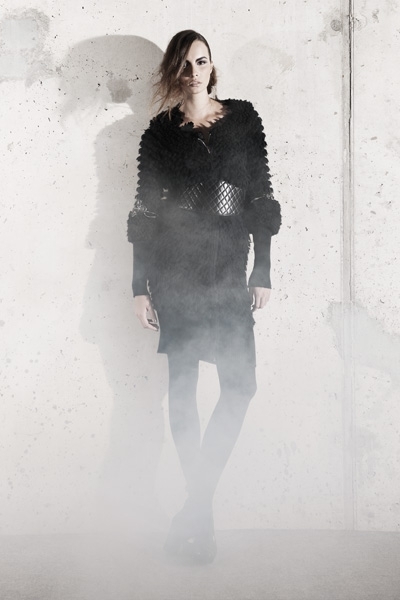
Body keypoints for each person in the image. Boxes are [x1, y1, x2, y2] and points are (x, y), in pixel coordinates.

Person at [127, 30, 281, 563]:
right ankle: (202, 523)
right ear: (173, 71)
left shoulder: (243, 119)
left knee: (241, 387)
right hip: (175, 275)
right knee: (183, 391)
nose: (193, 71)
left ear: (212, 67)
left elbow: (260, 197)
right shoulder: (159, 134)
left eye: (202, 61)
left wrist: (262, 269)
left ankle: (193, 511)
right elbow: (146, 213)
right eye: (184, 64)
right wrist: (138, 287)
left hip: (228, 274)